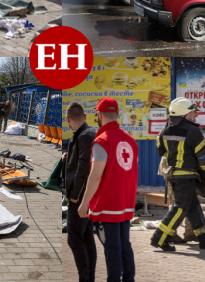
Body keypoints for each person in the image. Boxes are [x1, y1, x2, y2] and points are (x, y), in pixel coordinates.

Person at [78, 97, 138, 282]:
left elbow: (96, 176)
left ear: (99, 115)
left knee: (112, 248)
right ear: (117, 114)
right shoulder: (130, 140)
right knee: (124, 245)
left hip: (107, 205)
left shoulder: (102, 141)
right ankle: (129, 279)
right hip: (125, 203)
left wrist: (84, 203)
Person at [150, 97, 205, 252]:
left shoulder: (164, 129)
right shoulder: (194, 131)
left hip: (172, 175)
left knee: (193, 206)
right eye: (192, 111)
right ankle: (159, 238)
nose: (195, 114)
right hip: (186, 176)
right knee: (180, 207)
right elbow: (203, 157)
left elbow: (161, 150)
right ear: (184, 114)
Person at [63, 102, 97, 282]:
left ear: (68, 119)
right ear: (84, 116)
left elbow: (83, 169)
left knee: (74, 239)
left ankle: (85, 278)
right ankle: (89, 277)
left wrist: (74, 197)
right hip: (89, 194)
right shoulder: (88, 133)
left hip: (81, 196)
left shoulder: (83, 136)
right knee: (86, 237)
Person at [157, 153, 196, 243]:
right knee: (175, 204)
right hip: (176, 170)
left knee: (188, 203)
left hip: (179, 169)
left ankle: (189, 233)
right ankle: (171, 234)